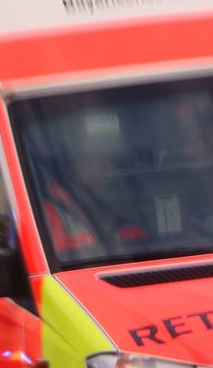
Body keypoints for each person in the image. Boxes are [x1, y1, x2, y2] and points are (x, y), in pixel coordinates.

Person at [40, 110, 148, 258]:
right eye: (98, 159)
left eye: (109, 160)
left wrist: (135, 238)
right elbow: (59, 257)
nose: (107, 167)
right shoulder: (51, 211)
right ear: (76, 162)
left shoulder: (108, 200)